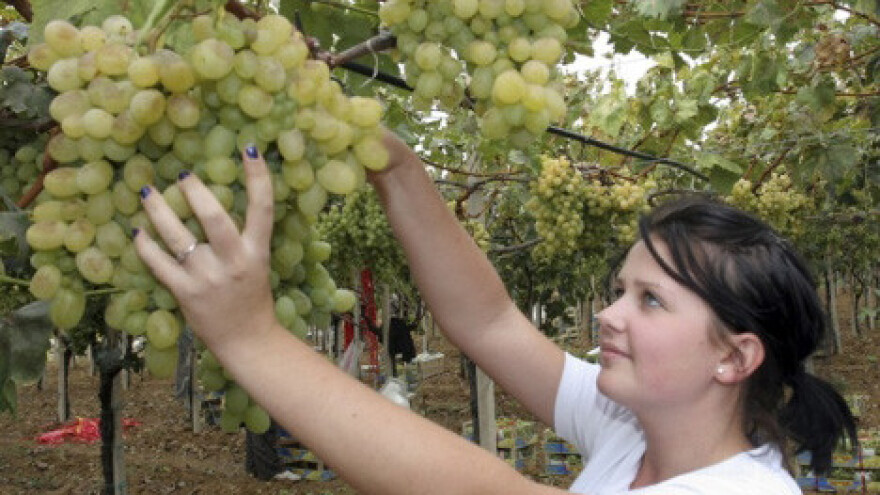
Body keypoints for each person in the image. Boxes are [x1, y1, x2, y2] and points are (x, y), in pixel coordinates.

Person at [132, 133, 856, 494]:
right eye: (620, 288)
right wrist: (397, 169)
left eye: (650, 300)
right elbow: (490, 323)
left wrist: (250, 337)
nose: (608, 314)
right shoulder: (636, 429)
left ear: (735, 356)